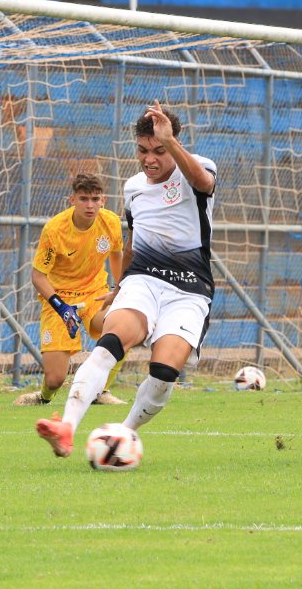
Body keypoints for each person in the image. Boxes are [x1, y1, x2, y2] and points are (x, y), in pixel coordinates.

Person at [36, 101, 217, 457]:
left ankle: (123, 434)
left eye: (159, 151)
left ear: (174, 144)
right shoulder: (133, 187)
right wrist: (119, 288)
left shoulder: (199, 168)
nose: (150, 159)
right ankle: (66, 427)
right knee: (111, 340)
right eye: (143, 150)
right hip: (143, 281)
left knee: (164, 370)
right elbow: (135, 241)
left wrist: (172, 144)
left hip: (189, 290)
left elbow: (203, 183)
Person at [13, 173, 126, 407]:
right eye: (84, 199)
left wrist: (119, 288)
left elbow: (116, 255)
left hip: (95, 292)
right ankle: (43, 397)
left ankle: (100, 391)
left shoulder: (111, 222)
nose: (90, 205)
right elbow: (38, 276)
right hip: (59, 298)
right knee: (55, 379)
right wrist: (61, 307)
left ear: (103, 200)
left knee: (123, 325)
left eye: (95, 199)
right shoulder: (55, 229)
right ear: (72, 199)